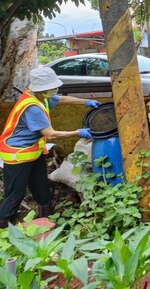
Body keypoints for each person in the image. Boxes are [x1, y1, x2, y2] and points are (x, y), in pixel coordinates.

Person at [0, 67, 99, 228]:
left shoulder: (41, 97)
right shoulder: (32, 107)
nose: (53, 91)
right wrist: (78, 132)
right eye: (50, 89)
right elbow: (50, 134)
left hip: (33, 152)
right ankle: (3, 226)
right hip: (17, 155)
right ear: (41, 89)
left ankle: (47, 222)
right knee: (15, 195)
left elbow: (61, 100)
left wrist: (85, 102)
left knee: (41, 189)